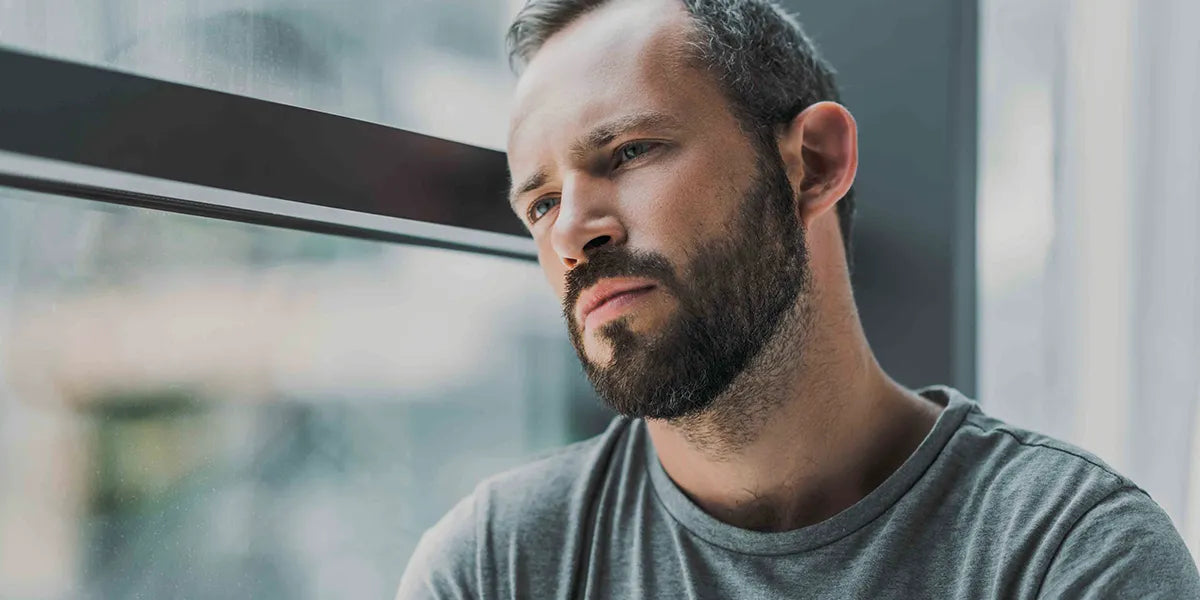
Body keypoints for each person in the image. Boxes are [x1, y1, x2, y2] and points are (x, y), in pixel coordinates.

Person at [397, 0, 1200, 597]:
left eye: (628, 151)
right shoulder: (494, 564)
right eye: (539, 205)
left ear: (813, 163)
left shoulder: (1068, 554)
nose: (572, 231)